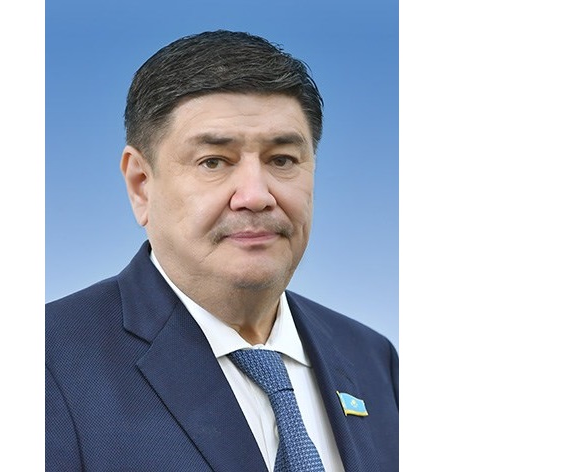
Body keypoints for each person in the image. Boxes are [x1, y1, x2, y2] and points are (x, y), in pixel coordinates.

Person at [46, 30, 398, 472]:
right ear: (141, 185)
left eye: (282, 160)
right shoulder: (50, 363)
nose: (255, 196)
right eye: (213, 162)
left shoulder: (372, 359)